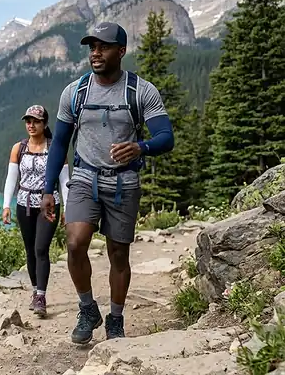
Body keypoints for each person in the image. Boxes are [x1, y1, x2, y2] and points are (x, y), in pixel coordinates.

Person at [40, 22, 174, 344]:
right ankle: (88, 308)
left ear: (121, 51)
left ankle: (115, 318)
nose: (96, 53)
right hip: (84, 177)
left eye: (104, 47)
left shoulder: (141, 91)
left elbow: (166, 137)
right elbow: (59, 143)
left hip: (123, 183)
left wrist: (140, 147)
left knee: (118, 254)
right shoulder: (75, 92)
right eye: (92, 47)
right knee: (74, 243)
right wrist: (47, 188)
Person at [1, 104, 70, 317]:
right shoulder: (19, 148)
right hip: (24, 203)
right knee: (30, 249)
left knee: (41, 249)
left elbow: (64, 179)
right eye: (28, 121)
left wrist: (67, 208)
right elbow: (12, 178)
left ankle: (41, 295)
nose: (31, 125)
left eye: (36, 121)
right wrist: (6, 205)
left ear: (44, 124)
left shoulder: (55, 148)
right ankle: (34, 290)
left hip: (49, 204)